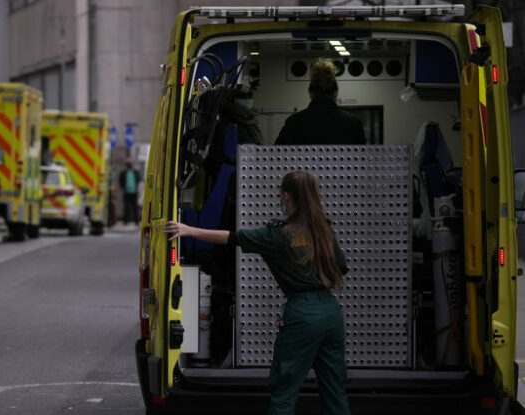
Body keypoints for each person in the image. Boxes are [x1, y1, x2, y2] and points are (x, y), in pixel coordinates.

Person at [164, 171, 351, 415]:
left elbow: (231, 238)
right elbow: (341, 266)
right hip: (331, 313)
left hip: (302, 314)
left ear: (286, 196)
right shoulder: (323, 230)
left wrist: (189, 230)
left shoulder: (277, 235)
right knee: (335, 390)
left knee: (284, 391)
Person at [276, 58, 365, 145]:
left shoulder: (294, 122)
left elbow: (277, 153)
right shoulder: (352, 123)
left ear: (310, 93)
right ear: (335, 93)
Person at [119, 161, 142, 225]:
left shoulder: (135, 172)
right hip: (126, 192)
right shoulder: (123, 173)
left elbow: (139, 179)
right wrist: (123, 188)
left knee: (135, 207)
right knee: (126, 207)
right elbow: (120, 181)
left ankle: (136, 221)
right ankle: (125, 221)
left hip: (134, 192)